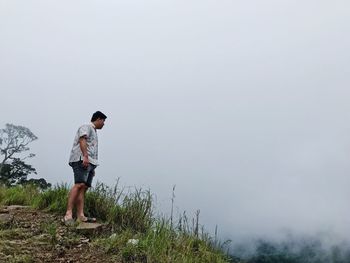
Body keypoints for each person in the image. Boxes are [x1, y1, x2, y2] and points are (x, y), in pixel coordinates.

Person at [63, 111, 107, 224]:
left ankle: (80, 215)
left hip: (90, 163)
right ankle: (68, 214)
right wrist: (85, 157)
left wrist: (93, 167)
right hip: (81, 159)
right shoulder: (86, 127)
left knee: (84, 187)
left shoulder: (95, 132)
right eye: (103, 121)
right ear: (98, 119)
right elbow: (82, 140)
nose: (104, 124)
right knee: (79, 184)